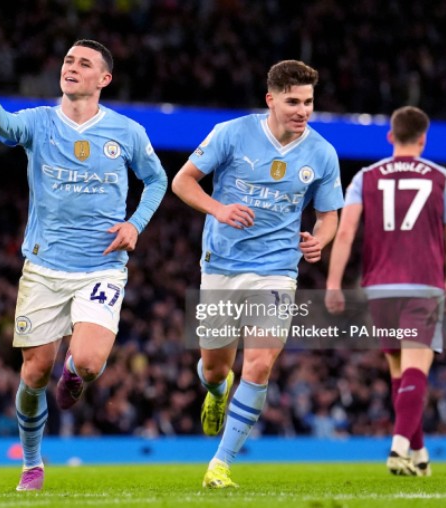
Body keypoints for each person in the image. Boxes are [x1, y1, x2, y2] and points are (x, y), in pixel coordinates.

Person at [0, 39, 167, 491]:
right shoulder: (38, 122)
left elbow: (156, 179)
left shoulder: (126, 132)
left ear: (103, 79)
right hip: (45, 267)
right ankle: (32, 462)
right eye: (69, 60)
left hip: (102, 265)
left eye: (84, 63)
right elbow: (5, 128)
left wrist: (135, 225)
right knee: (33, 373)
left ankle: (74, 375)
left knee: (88, 363)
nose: (72, 67)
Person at [172, 60, 344, 489]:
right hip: (221, 264)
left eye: (308, 101)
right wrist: (220, 209)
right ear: (271, 100)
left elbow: (329, 217)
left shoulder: (322, 152)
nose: (302, 110)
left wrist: (320, 239)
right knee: (215, 368)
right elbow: (183, 182)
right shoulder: (231, 134)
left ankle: (221, 463)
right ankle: (215, 390)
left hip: (277, 269)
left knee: (261, 363)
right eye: (292, 101)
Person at [325, 106, 446, 476]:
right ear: (423, 139)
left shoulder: (365, 176)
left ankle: (418, 454)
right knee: (417, 369)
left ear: (390, 137)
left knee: (399, 371)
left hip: (380, 287)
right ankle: (398, 447)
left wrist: (334, 283)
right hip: (422, 284)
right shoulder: (441, 176)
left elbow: (345, 231)